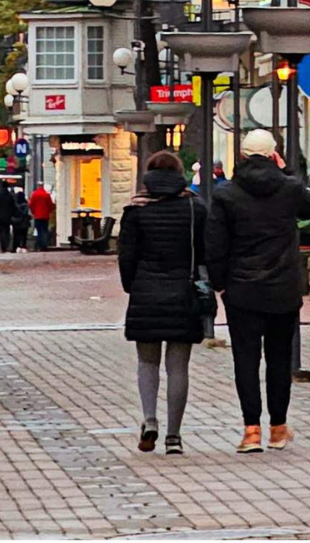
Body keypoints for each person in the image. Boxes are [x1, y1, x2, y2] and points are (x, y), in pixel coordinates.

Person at [207, 128, 310, 454]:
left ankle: (251, 431)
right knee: (279, 360)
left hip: (242, 289)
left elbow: (215, 243)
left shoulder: (226, 194)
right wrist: (287, 172)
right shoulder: (289, 188)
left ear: (242, 155)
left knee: (245, 360)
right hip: (283, 288)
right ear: (273, 154)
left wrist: (220, 283)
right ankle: (278, 428)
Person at [118, 151, 206, 456]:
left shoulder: (136, 209)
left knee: (147, 362)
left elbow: (126, 255)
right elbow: (204, 251)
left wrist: (132, 286)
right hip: (183, 292)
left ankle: (150, 418)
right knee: (178, 366)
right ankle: (174, 436)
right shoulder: (194, 207)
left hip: (145, 292)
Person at [28, 182, 55, 251]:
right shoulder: (46, 195)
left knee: (39, 231)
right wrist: (48, 212)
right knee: (45, 230)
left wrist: (34, 212)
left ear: (38, 186)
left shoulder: (34, 194)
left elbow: (31, 205)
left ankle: (40, 245)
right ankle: (44, 245)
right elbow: (51, 205)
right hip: (45, 216)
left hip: (37, 216)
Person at [0, 181, 17, 253]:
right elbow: (13, 207)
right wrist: (13, 214)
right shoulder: (10, 196)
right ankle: (6, 244)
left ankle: (2, 246)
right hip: (8, 216)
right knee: (6, 231)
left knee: (1, 231)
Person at [11, 188, 31, 253]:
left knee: (16, 236)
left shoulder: (15, 204)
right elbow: (25, 213)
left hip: (16, 222)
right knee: (24, 236)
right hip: (24, 222)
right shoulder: (25, 205)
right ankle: (23, 246)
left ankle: (15, 247)